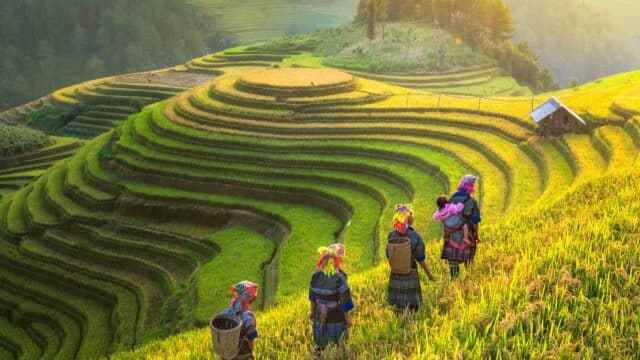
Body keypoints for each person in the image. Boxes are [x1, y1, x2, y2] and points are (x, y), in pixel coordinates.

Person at [387, 204, 434, 312]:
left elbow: (388, 254)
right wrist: (428, 273)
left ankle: (400, 322)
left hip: (395, 272)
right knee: (413, 306)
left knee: (399, 305)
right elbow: (420, 257)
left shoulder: (391, 235)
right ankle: (411, 324)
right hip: (410, 270)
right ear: (408, 218)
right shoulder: (415, 236)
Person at [309, 244, 354, 353]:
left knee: (321, 342)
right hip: (336, 314)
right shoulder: (340, 277)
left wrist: (312, 311)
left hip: (320, 313)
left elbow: (312, 296)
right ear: (339, 259)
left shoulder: (316, 275)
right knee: (339, 343)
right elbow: (345, 300)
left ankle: (320, 353)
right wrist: (347, 319)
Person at [441, 175, 482, 278]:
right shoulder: (472, 202)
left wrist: (445, 233)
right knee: (469, 259)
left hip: (451, 234)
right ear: (471, 187)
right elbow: (475, 220)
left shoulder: (451, 199)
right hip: (467, 234)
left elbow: (444, 216)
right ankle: (468, 281)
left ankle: (454, 281)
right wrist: (476, 234)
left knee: (453, 260)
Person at [221, 280, 260, 359]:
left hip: (225, 353)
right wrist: (251, 352)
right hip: (241, 354)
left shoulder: (226, 312)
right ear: (249, 298)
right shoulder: (248, 317)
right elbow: (250, 337)